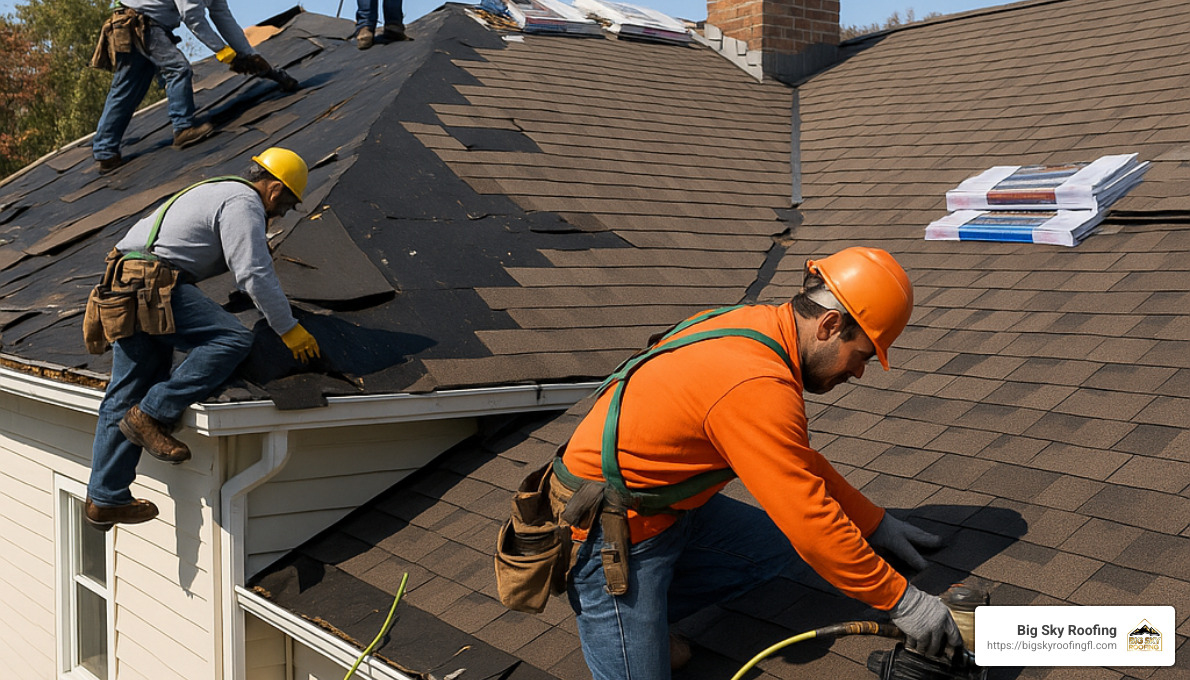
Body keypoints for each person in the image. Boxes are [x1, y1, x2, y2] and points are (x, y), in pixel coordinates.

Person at [554, 246, 962, 679]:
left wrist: (875, 523)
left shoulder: (756, 324)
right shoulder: (756, 384)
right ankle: (617, 611)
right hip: (611, 533)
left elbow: (797, 464)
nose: (859, 372)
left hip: (671, 507)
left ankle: (649, 615)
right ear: (829, 324)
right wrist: (904, 603)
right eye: (862, 355)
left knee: (775, 548)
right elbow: (808, 519)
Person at [84, 147, 322, 530]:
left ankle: (104, 499)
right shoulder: (244, 202)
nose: (281, 216)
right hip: (153, 282)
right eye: (287, 206)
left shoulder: (218, 190)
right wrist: (287, 327)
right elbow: (253, 273)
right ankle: (151, 414)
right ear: (275, 190)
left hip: (124, 280)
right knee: (231, 340)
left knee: (125, 390)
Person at [91, 0, 275, 173]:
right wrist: (223, 51)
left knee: (127, 89)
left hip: (135, 22)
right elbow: (192, 16)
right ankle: (183, 128)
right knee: (178, 69)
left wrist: (250, 54)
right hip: (141, 22)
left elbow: (223, 18)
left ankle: (106, 152)